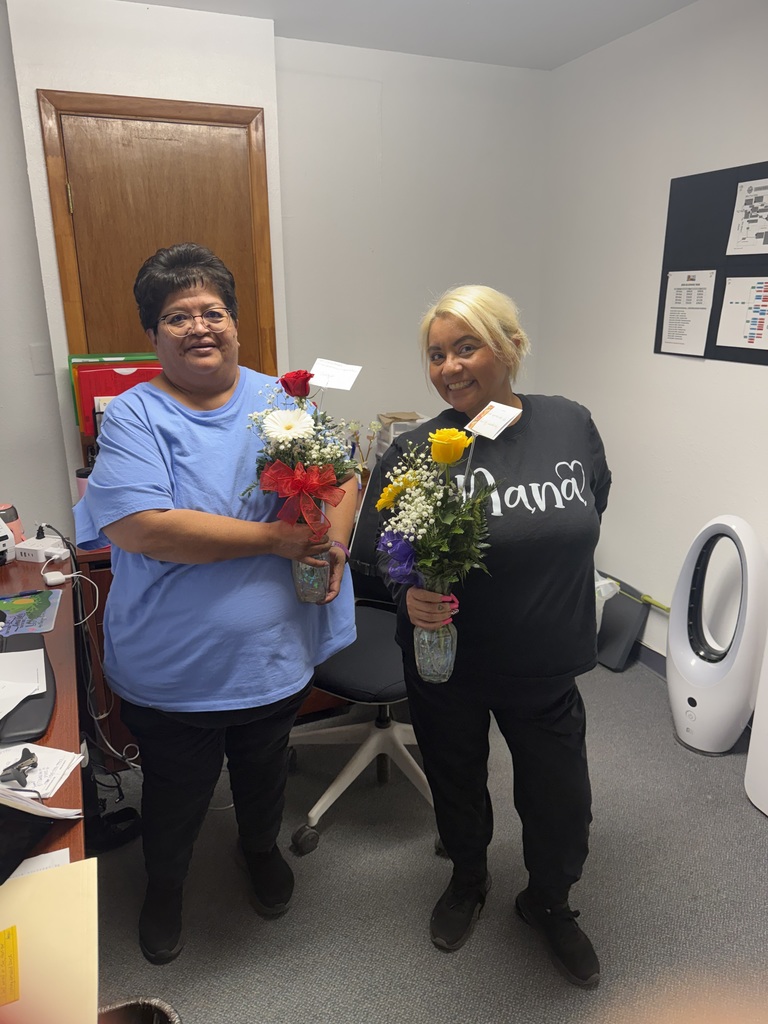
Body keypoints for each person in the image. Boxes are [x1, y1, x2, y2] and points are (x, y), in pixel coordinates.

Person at [74, 242, 357, 965]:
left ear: (234, 322)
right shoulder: (135, 417)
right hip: (176, 669)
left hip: (272, 657)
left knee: (264, 772)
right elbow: (146, 527)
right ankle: (164, 887)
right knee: (176, 792)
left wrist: (335, 544)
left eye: (213, 311)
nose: (200, 326)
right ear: (153, 336)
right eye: (177, 316)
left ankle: (259, 852)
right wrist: (277, 540)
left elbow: (341, 478)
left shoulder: (281, 399)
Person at [374, 285, 611, 988]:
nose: (449, 367)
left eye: (466, 346)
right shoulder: (420, 450)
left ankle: (549, 902)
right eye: (436, 354)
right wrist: (406, 592)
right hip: (451, 661)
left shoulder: (571, 425)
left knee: (561, 800)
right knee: (457, 781)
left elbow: (588, 507)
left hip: (545, 661)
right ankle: (468, 878)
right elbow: (384, 551)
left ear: (509, 346)